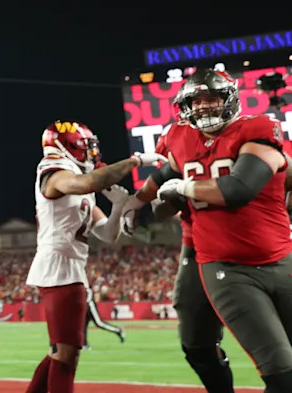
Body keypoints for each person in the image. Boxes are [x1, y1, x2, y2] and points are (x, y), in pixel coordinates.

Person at [122, 69, 292, 392]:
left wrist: (185, 189)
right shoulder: (179, 136)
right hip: (214, 254)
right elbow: (165, 174)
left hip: (274, 250)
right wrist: (137, 200)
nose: (202, 108)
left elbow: (238, 188)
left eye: (210, 99)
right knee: (202, 343)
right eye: (195, 102)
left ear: (228, 99)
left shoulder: (257, 129)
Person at [24, 120, 161, 393]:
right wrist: (135, 161)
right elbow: (86, 182)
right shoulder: (54, 170)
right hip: (58, 266)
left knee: (62, 352)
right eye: (86, 146)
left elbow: (108, 235)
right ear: (68, 145)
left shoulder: (73, 174)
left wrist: (119, 207)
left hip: (71, 267)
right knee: (67, 355)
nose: (91, 152)